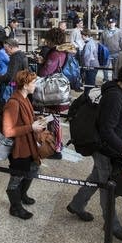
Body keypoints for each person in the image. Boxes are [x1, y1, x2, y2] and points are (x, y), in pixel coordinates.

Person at [66, 63, 122, 242]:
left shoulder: (119, 90)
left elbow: (110, 121)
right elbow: (106, 131)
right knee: (106, 187)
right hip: (103, 149)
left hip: (105, 147)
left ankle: (77, 204)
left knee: (96, 177)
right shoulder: (115, 97)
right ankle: (112, 225)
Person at [3, 69, 45, 220]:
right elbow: (8, 131)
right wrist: (31, 127)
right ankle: (15, 207)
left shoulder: (25, 98)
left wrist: (36, 118)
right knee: (16, 178)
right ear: (25, 85)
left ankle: (22, 195)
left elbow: (27, 117)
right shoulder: (13, 103)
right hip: (19, 148)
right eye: (33, 82)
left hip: (28, 145)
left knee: (33, 168)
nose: (35, 85)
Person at [37, 27, 76, 159]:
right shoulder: (64, 51)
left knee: (54, 120)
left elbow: (45, 72)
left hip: (53, 93)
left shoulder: (55, 53)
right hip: (61, 90)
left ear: (52, 40)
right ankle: (56, 145)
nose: (46, 41)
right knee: (54, 119)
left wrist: (42, 64)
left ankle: (56, 148)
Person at [0, 39, 28, 107]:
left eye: (6, 49)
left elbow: (10, 76)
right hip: (18, 85)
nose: (5, 52)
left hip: (12, 85)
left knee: (6, 107)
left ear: (11, 47)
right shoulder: (23, 55)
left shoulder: (14, 57)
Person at [81, 29, 99, 94]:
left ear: (85, 35)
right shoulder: (93, 42)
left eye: (82, 35)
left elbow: (87, 57)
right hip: (95, 65)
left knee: (89, 84)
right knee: (91, 83)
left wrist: (86, 67)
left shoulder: (88, 44)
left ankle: (88, 97)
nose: (81, 37)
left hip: (91, 66)